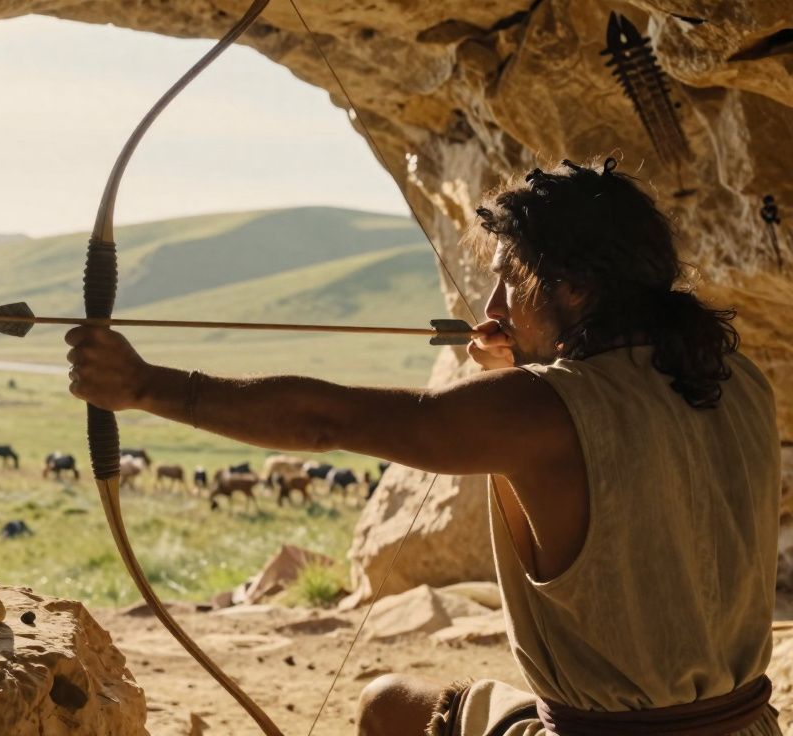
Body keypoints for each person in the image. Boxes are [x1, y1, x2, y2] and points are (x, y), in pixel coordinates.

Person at [64, 158, 781, 735]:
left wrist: (146, 384)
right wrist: (522, 369)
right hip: (747, 726)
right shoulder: (736, 378)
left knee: (383, 709)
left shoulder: (544, 411)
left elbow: (327, 422)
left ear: (575, 289)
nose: (494, 308)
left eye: (510, 282)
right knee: (398, 702)